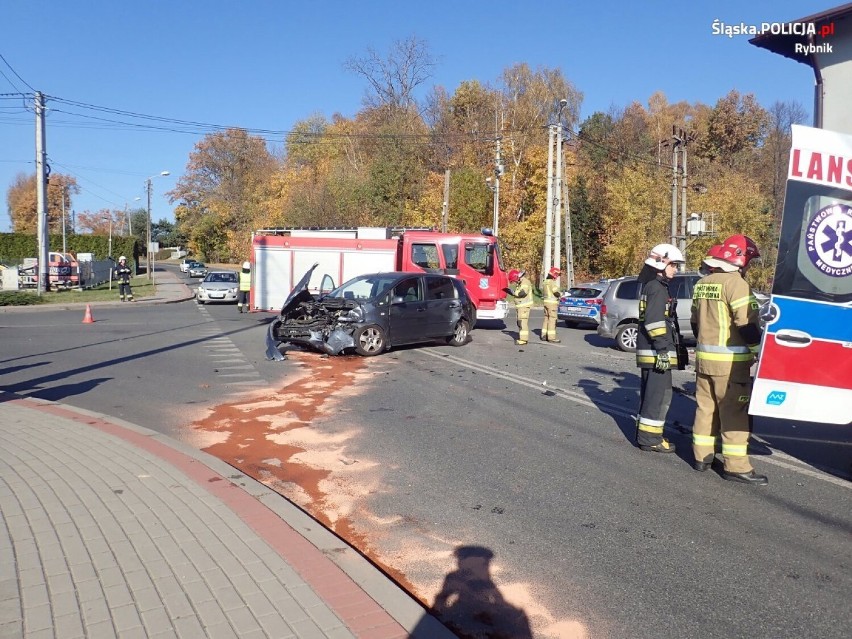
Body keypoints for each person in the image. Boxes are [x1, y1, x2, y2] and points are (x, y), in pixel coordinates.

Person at [691, 235, 767, 485]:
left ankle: (702, 457)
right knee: (734, 412)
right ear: (740, 260)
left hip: (704, 361)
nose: (749, 267)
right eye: (749, 262)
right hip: (730, 363)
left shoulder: (703, 283)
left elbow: (694, 322)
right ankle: (736, 466)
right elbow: (745, 322)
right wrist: (758, 349)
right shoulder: (736, 284)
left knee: (706, 409)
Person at [635, 243, 685, 453]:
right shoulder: (656, 288)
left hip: (653, 351)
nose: (676, 269)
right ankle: (649, 439)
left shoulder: (654, 285)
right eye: (674, 265)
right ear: (661, 263)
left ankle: (649, 435)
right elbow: (654, 322)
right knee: (657, 398)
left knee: (655, 396)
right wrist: (663, 350)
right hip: (656, 353)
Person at [505, 269, 533, 345]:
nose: (515, 282)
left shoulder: (525, 282)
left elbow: (522, 293)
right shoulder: (520, 283)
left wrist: (513, 293)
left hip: (524, 307)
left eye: (514, 280)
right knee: (520, 322)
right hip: (521, 306)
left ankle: (523, 340)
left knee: (522, 322)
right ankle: (522, 337)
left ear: (516, 277)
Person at [540, 266, 562, 343]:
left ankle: (544, 335)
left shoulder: (545, 282)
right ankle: (551, 337)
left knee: (546, 319)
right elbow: (556, 292)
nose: (557, 277)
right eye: (557, 275)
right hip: (552, 303)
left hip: (546, 302)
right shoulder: (552, 282)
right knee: (552, 319)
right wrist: (561, 294)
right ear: (555, 275)